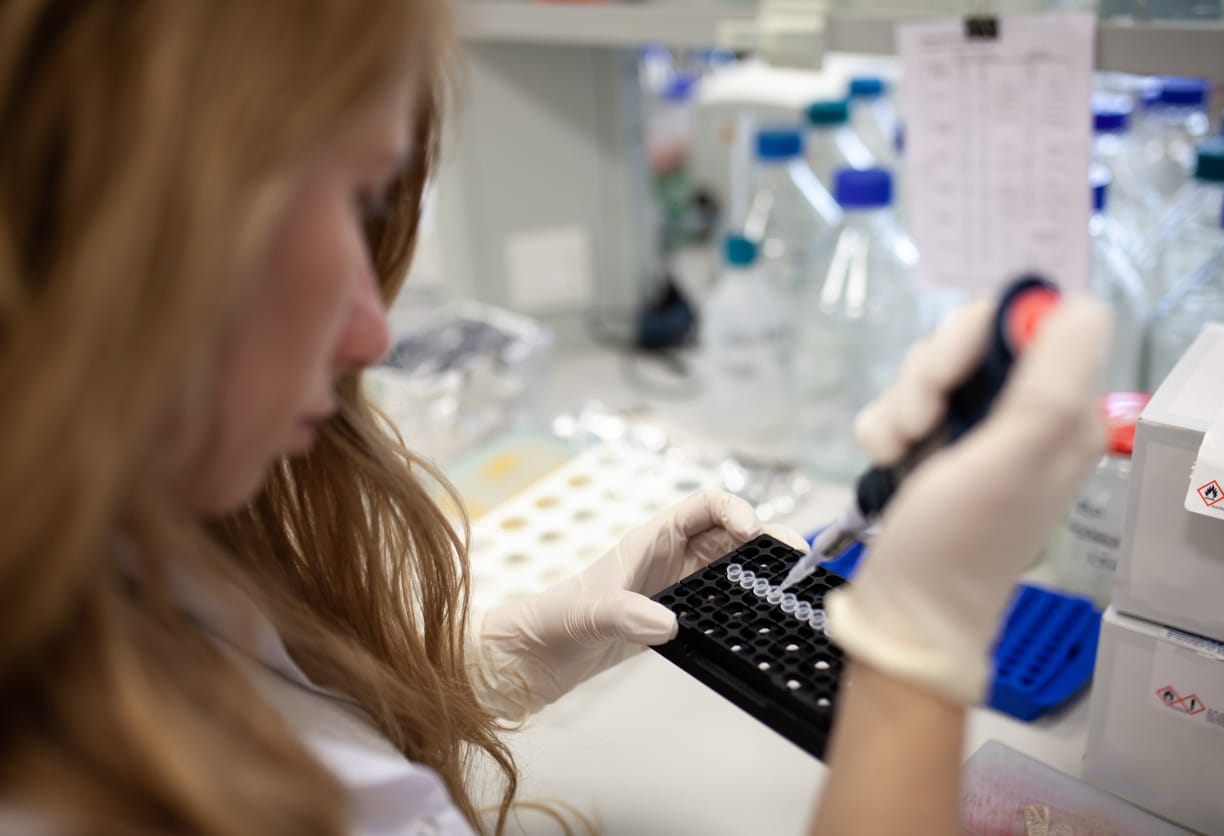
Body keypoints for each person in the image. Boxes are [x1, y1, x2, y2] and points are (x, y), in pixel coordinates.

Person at [0, 2, 1110, 834]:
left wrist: (479, 664)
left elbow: (254, 697)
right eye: (347, 194)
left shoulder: (120, 537)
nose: (371, 336)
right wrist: (919, 656)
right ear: (94, 224)